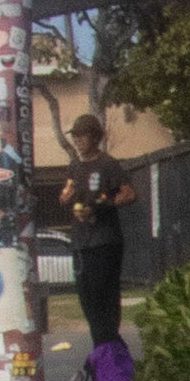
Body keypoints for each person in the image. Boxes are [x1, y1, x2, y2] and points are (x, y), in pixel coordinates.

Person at [57, 113, 135, 349]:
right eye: (76, 137)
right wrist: (66, 198)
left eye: (82, 136)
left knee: (105, 299)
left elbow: (129, 193)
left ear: (94, 136)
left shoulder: (107, 164)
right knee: (87, 300)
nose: (78, 141)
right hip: (81, 242)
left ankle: (109, 351)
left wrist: (101, 206)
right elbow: (65, 194)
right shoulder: (75, 166)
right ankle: (105, 351)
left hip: (104, 241)